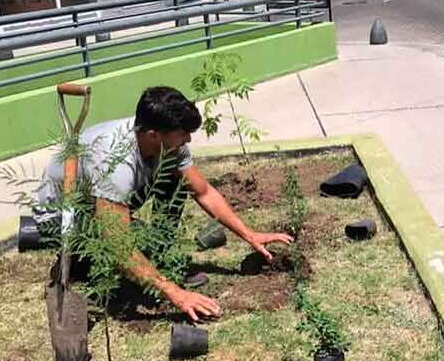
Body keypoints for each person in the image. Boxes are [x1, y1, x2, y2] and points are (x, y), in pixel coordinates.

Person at [36, 86, 293, 321]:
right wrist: (175, 293)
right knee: (129, 244)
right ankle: (80, 259)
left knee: (176, 181)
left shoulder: (167, 144)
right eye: (183, 134)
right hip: (63, 218)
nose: (188, 141)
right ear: (153, 135)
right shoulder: (115, 164)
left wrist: (250, 234)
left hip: (104, 201)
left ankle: (158, 257)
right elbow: (118, 245)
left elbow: (203, 192)